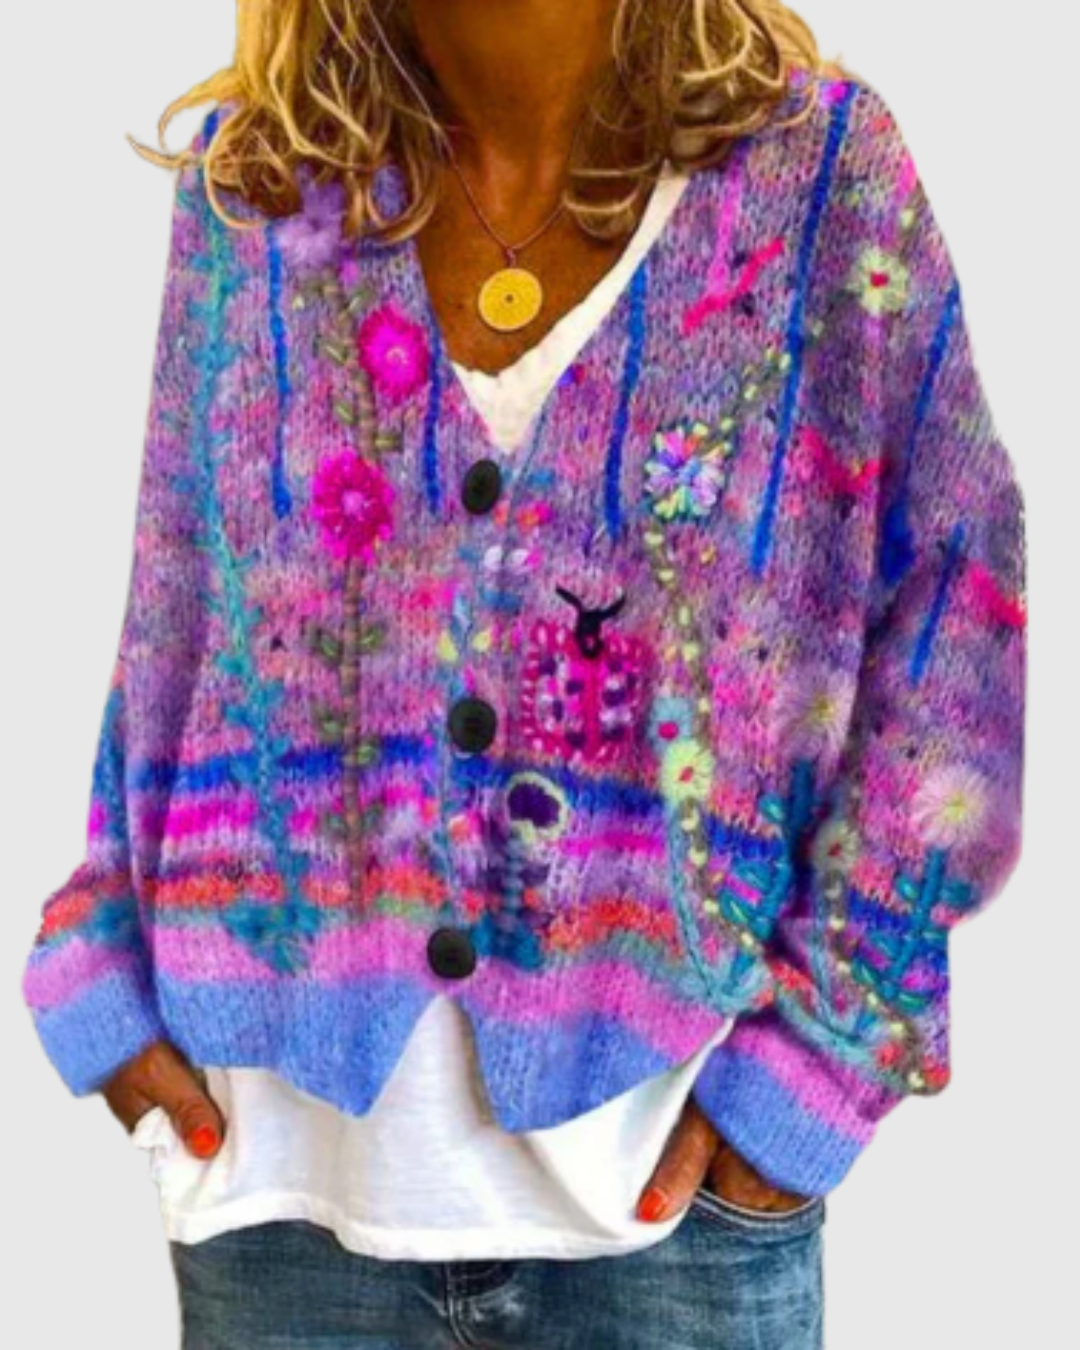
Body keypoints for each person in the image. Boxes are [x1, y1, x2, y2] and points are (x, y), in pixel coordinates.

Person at [21, 1, 1027, 1346]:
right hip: (282, 1221)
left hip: (671, 1233)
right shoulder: (251, 190)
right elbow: (177, 614)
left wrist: (830, 1055)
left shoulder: (820, 183)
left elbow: (961, 616)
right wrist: (98, 966)